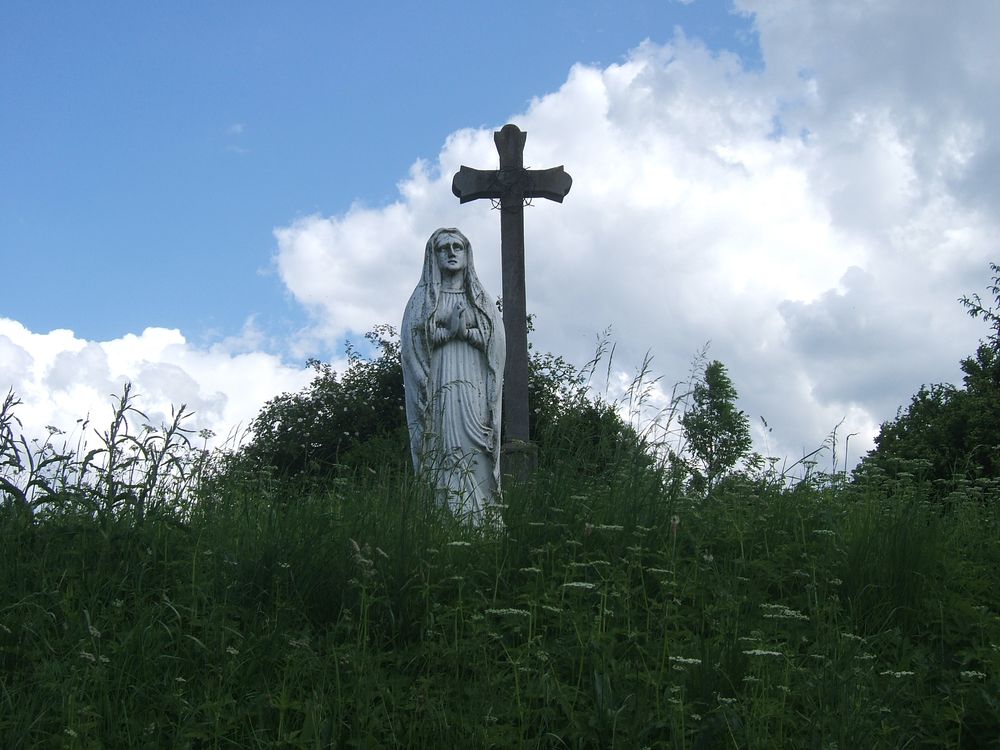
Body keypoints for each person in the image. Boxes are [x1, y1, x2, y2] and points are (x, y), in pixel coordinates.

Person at [401, 228, 505, 523]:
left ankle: (482, 517)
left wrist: (469, 333)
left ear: (467, 253)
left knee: (477, 442)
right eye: (443, 248)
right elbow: (412, 342)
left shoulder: (480, 300)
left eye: (457, 246)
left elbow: (496, 342)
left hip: (473, 384)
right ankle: (442, 517)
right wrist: (445, 332)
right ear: (432, 256)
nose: (451, 252)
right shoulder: (422, 299)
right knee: (441, 442)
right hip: (438, 381)